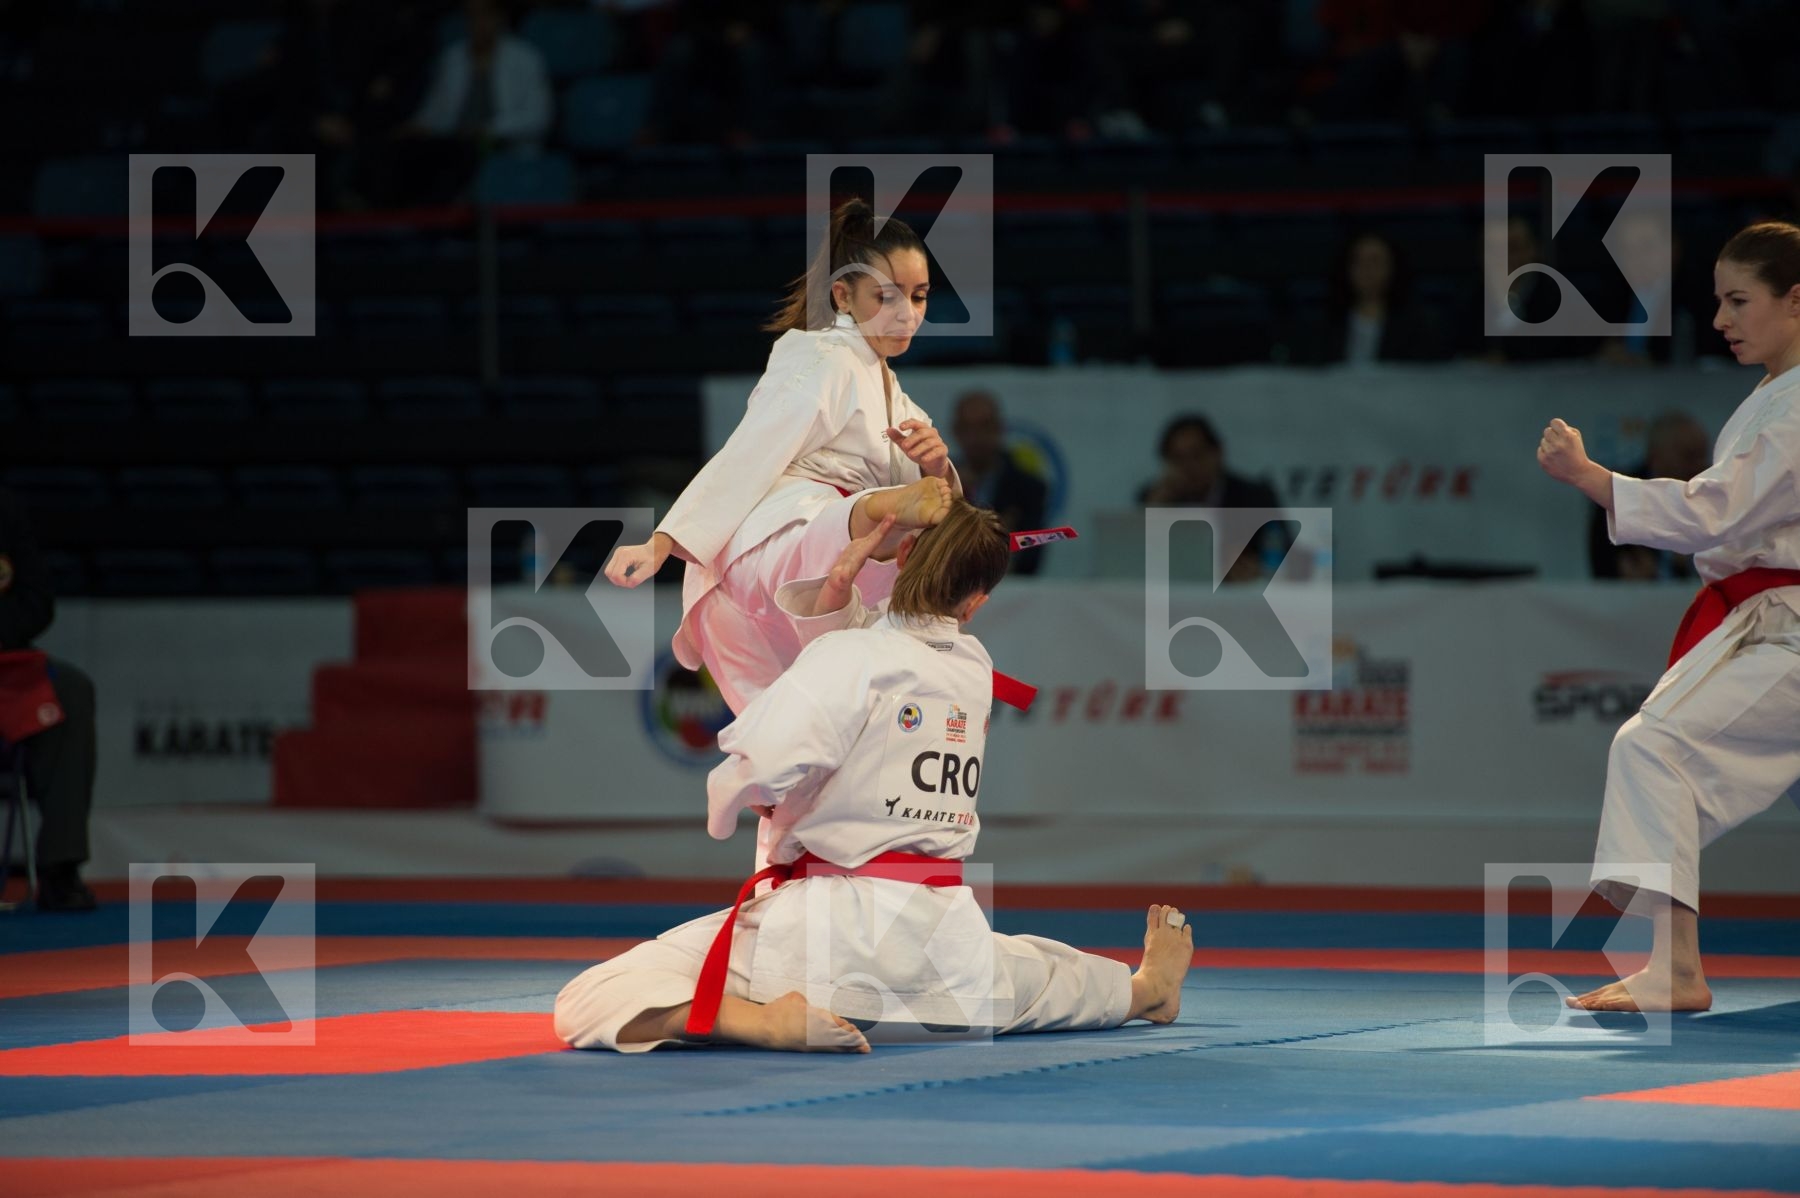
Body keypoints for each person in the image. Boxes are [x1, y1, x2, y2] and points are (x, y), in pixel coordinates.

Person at [553, 500, 1193, 1052]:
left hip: (824, 941)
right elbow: (885, 661)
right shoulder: (971, 665)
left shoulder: (853, 655)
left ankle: (751, 1019)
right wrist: (838, 601)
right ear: (976, 603)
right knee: (1033, 969)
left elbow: (768, 757)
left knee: (595, 995)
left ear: (904, 553)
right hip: (944, 951)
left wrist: (727, 802)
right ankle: (1144, 992)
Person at [1537, 220, 1800, 1012]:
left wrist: (1593, 478)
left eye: (1738, 301)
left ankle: (1677, 967)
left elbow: (1716, 512)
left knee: (1654, 748)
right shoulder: (1771, 399)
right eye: (1717, 301)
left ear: (1796, 301)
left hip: (1787, 626)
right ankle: (1673, 964)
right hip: (1767, 615)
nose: (1720, 319)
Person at [604, 197, 963, 717]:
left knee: (788, 753)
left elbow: (943, 502)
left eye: (919, 296)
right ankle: (885, 510)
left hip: (781, 605)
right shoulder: (822, 358)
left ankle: (891, 514)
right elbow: (748, 452)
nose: (908, 313)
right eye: (886, 296)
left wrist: (934, 467)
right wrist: (662, 542)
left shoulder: (893, 393)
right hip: (769, 552)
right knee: (883, 525)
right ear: (843, 295)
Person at [0, 488, 97, 912]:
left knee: (70, 691)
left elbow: (36, 599)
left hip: (5, 668)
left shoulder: (3, 509)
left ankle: (60, 867)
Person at [380, 0, 552, 206]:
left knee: (462, 156)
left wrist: (488, 129)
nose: (479, 22)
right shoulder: (452, 57)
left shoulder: (526, 58)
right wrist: (419, 125)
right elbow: (438, 111)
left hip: (499, 145)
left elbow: (538, 117)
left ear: (500, 19)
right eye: (472, 16)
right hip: (452, 143)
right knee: (402, 149)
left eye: (485, 15)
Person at [1139, 413, 1288, 583]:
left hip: (1239, 594)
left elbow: (1287, 556)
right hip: (1177, 591)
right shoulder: (1154, 497)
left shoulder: (1255, 497)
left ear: (1217, 453)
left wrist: (1260, 568)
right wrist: (1155, 511)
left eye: (1196, 455)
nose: (1188, 466)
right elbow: (1137, 560)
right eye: (1177, 459)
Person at [1587, 411, 1709, 581]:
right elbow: (1604, 568)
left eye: (1703, 456)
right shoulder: (1618, 494)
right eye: (1689, 456)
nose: (1699, 466)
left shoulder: (1710, 494)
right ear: (1656, 455)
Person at [1304, 230, 1451, 365]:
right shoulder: (1324, 321)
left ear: (1393, 267)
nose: (1367, 269)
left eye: (1375, 261)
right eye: (1358, 262)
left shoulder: (1420, 323)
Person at [950, 390, 1048, 575]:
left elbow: (1030, 562)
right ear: (956, 431)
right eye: (967, 427)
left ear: (999, 428)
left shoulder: (1030, 488)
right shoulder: (939, 483)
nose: (976, 436)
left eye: (985, 426)